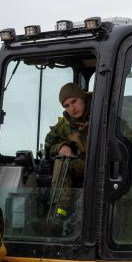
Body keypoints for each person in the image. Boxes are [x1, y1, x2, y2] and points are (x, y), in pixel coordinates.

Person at [42, 82, 91, 233]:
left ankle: (82, 223)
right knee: (62, 162)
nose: (72, 108)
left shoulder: (103, 112)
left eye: (74, 101)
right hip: (84, 167)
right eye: (66, 105)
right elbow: (49, 143)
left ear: (82, 97)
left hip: (105, 168)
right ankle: (58, 216)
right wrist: (61, 147)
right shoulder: (65, 124)